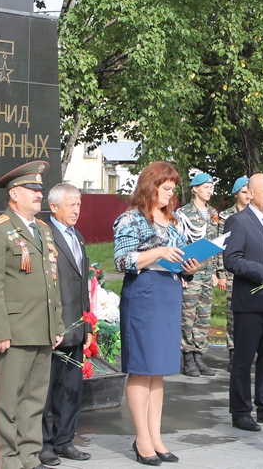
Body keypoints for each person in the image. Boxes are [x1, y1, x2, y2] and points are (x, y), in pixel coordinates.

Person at [0, 160, 64, 469]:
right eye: (33, 189)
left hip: (42, 328)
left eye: (40, 189)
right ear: (14, 194)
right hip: (14, 331)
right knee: (7, 401)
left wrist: (58, 323)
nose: (39, 194)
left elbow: (52, 278)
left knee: (35, 400)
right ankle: (8, 460)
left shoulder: (42, 229)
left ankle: (29, 456)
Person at [113, 162, 202, 466]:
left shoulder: (173, 221)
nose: (170, 195)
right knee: (142, 367)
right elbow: (122, 260)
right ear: (150, 187)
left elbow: (181, 257)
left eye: (173, 190)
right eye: (166, 189)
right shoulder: (131, 219)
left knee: (158, 370)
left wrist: (190, 268)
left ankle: (156, 436)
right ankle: (141, 439)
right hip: (143, 293)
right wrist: (158, 252)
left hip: (168, 294)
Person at [40, 184, 92, 466]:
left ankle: (64, 440)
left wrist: (87, 323)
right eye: (71, 204)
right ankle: (44, 443)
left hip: (75, 325)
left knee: (70, 388)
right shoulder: (43, 235)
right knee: (45, 390)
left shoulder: (78, 237)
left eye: (79, 204)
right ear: (53, 207)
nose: (76, 210)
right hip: (52, 328)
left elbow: (82, 285)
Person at [223, 173, 263, 432]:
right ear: (251, 193)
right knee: (244, 361)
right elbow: (231, 260)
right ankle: (241, 411)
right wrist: (262, 272)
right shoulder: (238, 221)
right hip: (249, 301)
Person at [176, 173, 221, 377]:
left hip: (207, 271)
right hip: (191, 270)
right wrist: (181, 274)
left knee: (203, 315)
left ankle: (199, 355)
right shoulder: (183, 213)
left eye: (211, 187)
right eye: (205, 187)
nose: (209, 190)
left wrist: (216, 272)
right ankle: (187, 357)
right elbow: (177, 244)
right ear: (194, 189)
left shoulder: (213, 213)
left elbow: (216, 244)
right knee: (188, 315)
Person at [218, 175, 252, 367]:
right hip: (232, 271)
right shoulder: (227, 217)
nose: (247, 195)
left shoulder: (255, 216)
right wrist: (220, 273)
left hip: (251, 270)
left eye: (249, 192)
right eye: (243, 192)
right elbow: (221, 247)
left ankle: (245, 350)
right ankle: (233, 351)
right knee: (233, 313)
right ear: (235, 194)